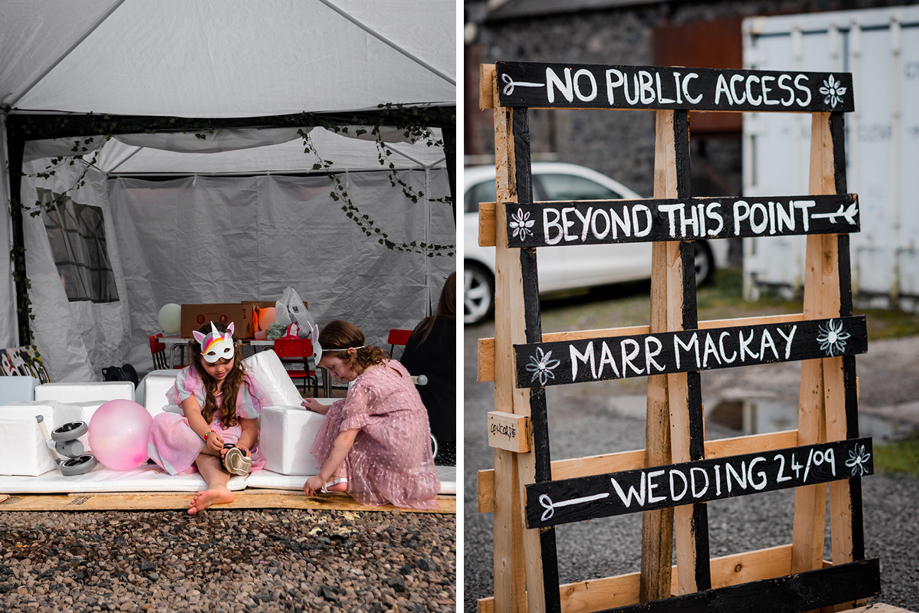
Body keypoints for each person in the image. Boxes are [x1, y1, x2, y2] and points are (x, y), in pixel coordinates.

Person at [301, 320, 440, 509]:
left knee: (345, 423)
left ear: (351, 353)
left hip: (396, 448)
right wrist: (322, 408)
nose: (333, 375)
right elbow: (353, 406)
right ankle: (338, 473)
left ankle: (337, 475)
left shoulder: (363, 386)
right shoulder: (391, 364)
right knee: (344, 412)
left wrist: (321, 477)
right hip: (413, 446)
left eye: (332, 367)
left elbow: (346, 439)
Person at [147, 321, 271, 514]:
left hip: (228, 430)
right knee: (162, 421)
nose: (220, 369)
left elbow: (250, 427)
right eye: (212, 364)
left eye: (225, 362)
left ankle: (218, 487)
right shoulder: (190, 377)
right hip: (199, 430)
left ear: (235, 352)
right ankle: (225, 455)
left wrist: (243, 445)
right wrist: (207, 435)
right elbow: (193, 414)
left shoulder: (243, 382)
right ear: (199, 358)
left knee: (212, 451)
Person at [400, 272, 456, 466]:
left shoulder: (425, 327)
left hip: (419, 429)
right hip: (450, 434)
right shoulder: (458, 333)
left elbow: (404, 373)